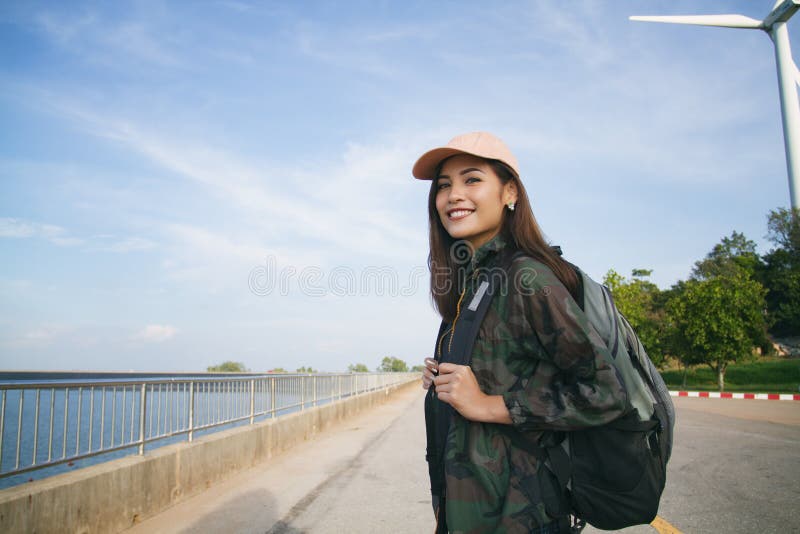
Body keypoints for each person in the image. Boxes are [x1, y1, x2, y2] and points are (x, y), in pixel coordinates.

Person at [413, 132, 629, 533]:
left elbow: (606, 392)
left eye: (472, 179)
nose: (453, 195)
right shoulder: (474, 282)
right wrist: (445, 376)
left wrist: (487, 404)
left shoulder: (526, 276)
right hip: (466, 509)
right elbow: (507, 366)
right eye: (444, 186)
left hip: (517, 516)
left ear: (509, 192)